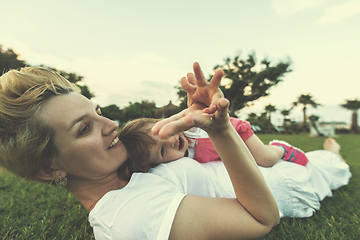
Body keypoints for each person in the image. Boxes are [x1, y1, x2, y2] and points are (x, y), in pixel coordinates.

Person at [0, 63, 351, 240]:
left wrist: (195, 119)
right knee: (333, 165)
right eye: (84, 128)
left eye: (97, 112)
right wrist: (222, 129)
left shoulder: (120, 171)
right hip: (297, 186)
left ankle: (328, 149)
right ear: (49, 169)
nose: (109, 124)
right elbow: (262, 218)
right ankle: (332, 150)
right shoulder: (130, 216)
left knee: (313, 155)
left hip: (274, 167)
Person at [118, 117, 308, 174]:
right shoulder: (180, 163)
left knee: (265, 159)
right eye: (162, 150)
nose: (171, 141)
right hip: (230, 150)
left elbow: (205, 115)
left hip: (235, 133)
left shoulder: (190, 128)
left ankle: (280, 148)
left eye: (163, 134)